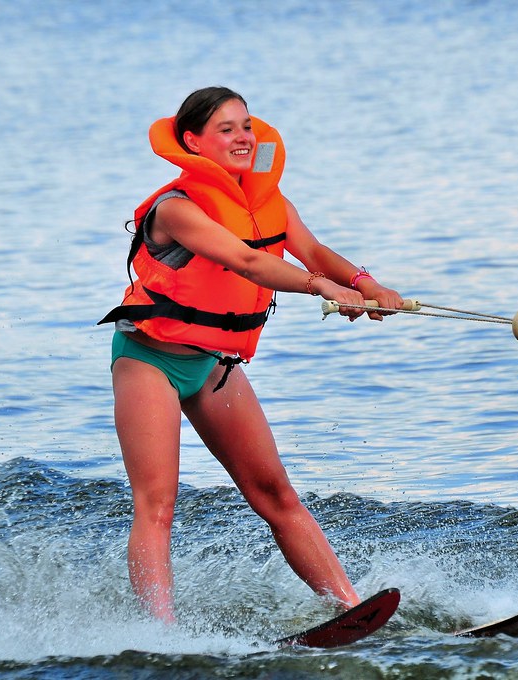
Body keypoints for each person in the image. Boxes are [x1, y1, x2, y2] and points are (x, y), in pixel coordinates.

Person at [99, 86, 404, 622]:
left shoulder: (267, 203)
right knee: (157, 504)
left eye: (246, 126)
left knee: (275, 494)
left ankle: (352, 611)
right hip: (150, 358)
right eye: (226, 129)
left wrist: (366, 283)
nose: (243, 137)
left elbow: (310, 251)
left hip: (213, 365)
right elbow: (247, 262)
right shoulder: (176, 210)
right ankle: (160, 633)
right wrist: (322, 289)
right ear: (193, 142)